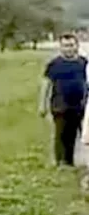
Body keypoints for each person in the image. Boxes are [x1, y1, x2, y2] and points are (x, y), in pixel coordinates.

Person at [39, 32, 89, 166]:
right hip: (60, 106)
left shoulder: (83, 63)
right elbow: (46, 84)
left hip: (80, 106)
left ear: (77, 46)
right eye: (65, 46)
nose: (69, 49)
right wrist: (42, 105)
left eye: (71, 45)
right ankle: (61, 163)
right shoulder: (54, 65)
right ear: (60, 47)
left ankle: (76, 162)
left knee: (79, 135)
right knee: (62, 136)